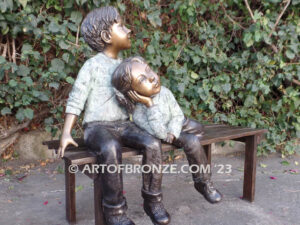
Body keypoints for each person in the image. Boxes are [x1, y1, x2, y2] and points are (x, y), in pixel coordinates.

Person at [57, 7, 170, 225]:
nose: (128, 30)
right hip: (97, 128)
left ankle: (153, 200)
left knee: (152, 144)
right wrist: (66, 132)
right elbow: (76, 98)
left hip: (123, 125)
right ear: (106, 36)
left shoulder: (127, 67)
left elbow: (136, 99)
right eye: (120, 25)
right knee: (109, 148)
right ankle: (115, 212)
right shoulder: (92, 66)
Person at [112, 56, 223, 204]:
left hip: (176, 126)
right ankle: (202, 186)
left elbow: (177, 115)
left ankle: (204, 182)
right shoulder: (138, 113)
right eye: (142, 80)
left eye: (148, 70)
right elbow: (159, 133)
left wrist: (173, 132)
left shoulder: (165, 92)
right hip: (160, 134)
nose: (152, 78)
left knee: (197, 133)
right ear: (133, 93)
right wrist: (149, 104)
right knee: (191, 139)